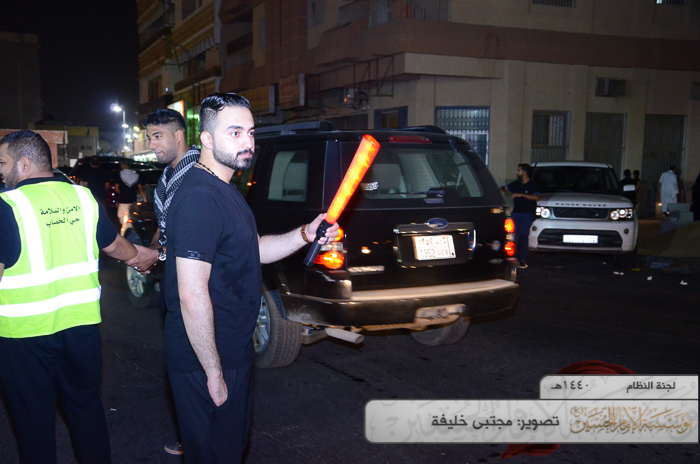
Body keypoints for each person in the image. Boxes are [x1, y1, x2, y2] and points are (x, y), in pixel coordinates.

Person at [163, 93, 337, 463]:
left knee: (231, 450)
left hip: (232, 351)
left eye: (251, 132)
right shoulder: (199, 198)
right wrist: (213, 370)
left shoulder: (226, 189)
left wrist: (306, 234)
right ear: (206, 139)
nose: (248, 142)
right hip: (205, 357)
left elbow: (254, 249)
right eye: (235, 132)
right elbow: (191, 294)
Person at [0, 130, 148, 463]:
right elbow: (114, 246)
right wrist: (142, 257)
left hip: (24, 336)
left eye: (3, 163)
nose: (0, 171)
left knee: (34, 425)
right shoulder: (82, 197)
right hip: (80, 330)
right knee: (86, 412)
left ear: (24, 164)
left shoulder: (7, 206)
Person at [122, 107, 199, 456]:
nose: (151, 144)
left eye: (157, 136)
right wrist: (150, 251)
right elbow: (164, 228)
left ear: (178, 135)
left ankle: (199, 437)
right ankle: (192, 431)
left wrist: (157, 253)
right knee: (180, 358)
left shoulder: (199, 173)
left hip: (196, 277)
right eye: (149, 136)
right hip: (174, 275)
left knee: (193, 357)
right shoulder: (168, 175)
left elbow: (193, 232)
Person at [501, 163, 540, 269]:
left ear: (525, 172)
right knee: (512, 236)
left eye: (519, 171)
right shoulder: (517, 184)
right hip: (516, 213)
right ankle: (511, 257)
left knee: (523, 236)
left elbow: (536, 197)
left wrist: (521, 194)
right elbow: (504, 188)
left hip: (527, 214)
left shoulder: (532, 185)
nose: (517, 173)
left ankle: (522, 259)